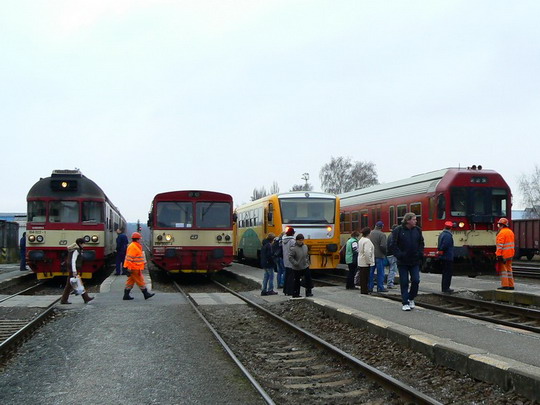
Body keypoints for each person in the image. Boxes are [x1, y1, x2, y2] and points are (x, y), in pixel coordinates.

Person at [390, 212, 425, 311]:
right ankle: (405, 302)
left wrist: (420, 253)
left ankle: (411, 297)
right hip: (403, 262)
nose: (416, 221)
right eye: (414, 219)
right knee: (404, 281)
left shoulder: (418, 230)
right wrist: (400, 255)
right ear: (408, 220)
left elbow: (421, 243)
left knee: (416, 280)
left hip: (415, 260)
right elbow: (393, 244)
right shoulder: (398, 230)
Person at [60, 238, 94, 304]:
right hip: (73, 269)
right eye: (83, 244)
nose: (84, 245)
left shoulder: (75, 249)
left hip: (72, 269)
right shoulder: (76, 250)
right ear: (80, 244)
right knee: (75, 283)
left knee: (73, 284)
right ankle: (85, 298)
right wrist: (74, 271)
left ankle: (85, 298)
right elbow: (73, 260)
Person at [123, 232, 155, 300]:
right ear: (137, 239)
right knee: (140, 280)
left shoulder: (134, 246)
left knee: (130, 281)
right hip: (134, 268)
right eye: (140, 239)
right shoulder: (133, 247)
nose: (140, 240)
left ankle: (126, 295)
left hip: (134, 267)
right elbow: (129, 258)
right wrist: (129, 268)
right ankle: (146, 294)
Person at [289, 234, 312, 298]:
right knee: (296, 281)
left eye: (302, 240)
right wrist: (295, 263)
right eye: (299, 240)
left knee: (308, 279)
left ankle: (308, 292)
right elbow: (290, 257)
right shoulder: (293, 248)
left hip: (305, 266)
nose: (301, 241)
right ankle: (296, 293)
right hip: (296, 267)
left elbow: (307, 255)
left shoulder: (305, 246)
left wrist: (307, 261)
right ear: (296, 240)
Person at [495, 218, 515, 290]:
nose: (498, 226)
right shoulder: (510, 232)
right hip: (510, 254)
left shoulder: (501, 233)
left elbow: (500, 245)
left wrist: (498, 255)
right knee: (509, 269)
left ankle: (505, 285)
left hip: (503, 255)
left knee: (504, 271)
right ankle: (511, 285)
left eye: (499, 225)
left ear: (501, 225)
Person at [369, 221, 388, 293]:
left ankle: (370, 287)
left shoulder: (370, 233)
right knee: (380, 272)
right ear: (382, 227)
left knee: (371, 272)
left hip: (371, 256)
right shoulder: (382, 235)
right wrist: (385, 253)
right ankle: (380, 287)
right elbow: (383, 246)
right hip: (379, 256)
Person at [355, 227, 375, 294]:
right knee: (365, 278)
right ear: (368, 233)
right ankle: (365, 291)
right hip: (365, 262)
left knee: (362, 277)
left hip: (361, 261)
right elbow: (367, 252)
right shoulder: (367, 241)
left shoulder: (361, 240)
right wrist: (369, 261)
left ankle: (363, 290)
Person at [437, 221, 455, 293]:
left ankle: (444, 288)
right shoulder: (448, 235)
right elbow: (445, 245)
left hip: (444, 256)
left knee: (445, 272)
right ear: (451, 227)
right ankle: (446, 288)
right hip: (447, 256)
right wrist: (442, 250)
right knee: (448, 273)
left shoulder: (442, 234)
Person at [282, 227, 296, 295]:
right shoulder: (292, 241)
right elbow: (293, 251)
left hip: (285, 260)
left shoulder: (283, 241)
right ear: (293, 233)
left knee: (287, 276)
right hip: (291, 261)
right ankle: (290, 291)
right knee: (291, 277)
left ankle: (285, 290)